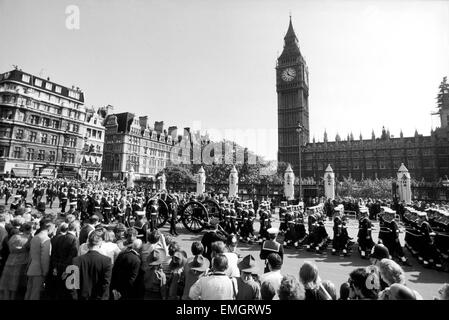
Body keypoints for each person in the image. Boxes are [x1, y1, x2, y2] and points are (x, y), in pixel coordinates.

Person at [70, 230, 112, 300]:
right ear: (100, 244)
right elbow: (106, 284)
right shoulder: (106, 261)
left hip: (81, 296)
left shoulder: (76, 260)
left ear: (88, 243)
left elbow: (72, 284)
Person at [46, 222, 79, 300]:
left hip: (58, 268)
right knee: (67, 293)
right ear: (76, 229)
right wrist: (66, 270)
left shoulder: (60, 237)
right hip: (67, 269)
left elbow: (54, 254)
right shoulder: (74, 239)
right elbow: (73, 256)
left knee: (59, 290)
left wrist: (55, 267)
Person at [0, 222, 32, 300]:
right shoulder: (29, 239)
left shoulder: (14, 237)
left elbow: (9, 247)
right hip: (22, 262)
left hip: (10, 260)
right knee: (16, 283)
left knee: (7, 282)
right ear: (29, 229)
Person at [25, 218, 54, 300]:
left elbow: (31, 254)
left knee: (29, 291)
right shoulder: (46, 239)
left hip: (32, 267)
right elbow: (45, 258)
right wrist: (45, 271)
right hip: (39, 270)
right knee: (35, 293)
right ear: (49, 227)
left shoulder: (35, 237)